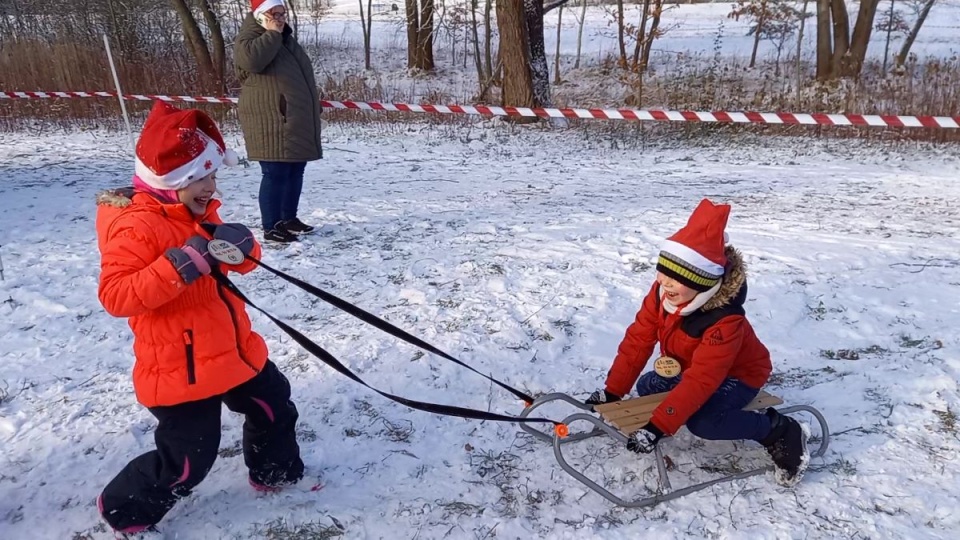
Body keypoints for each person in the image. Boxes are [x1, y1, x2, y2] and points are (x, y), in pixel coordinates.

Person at [94, 101, 304, 534]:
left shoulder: (197, 211)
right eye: (201, 178)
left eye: (212, 175)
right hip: (181, 367)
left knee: (273, 405)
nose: (212, 187)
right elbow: (116, 295)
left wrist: (245, 250)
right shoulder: (137, 227)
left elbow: (224, 258)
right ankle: (124, 507)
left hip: (230, 348)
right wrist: (178, 267)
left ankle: (275, 472)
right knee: (190, 458)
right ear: (171, 182)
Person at [584, 199, 810, 487]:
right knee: (648, 386)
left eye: (677, 279)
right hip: (691, 367)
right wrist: (613, 391)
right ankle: (679, 406)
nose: (665, 283)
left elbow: (704, 378)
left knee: (704, 423)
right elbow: (638, 340)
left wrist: (659, 425)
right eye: (662, 272)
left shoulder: (724, 321)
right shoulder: (662, 294)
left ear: (703, 283)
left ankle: (777, 430)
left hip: (738, 375)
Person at [235, 0, 323, 244]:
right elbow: (251, 61)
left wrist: (311, 105)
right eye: (275, 13)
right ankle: (271, 225)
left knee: (295, 170)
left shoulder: (286, 39)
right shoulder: (250, 38)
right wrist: (272, 33)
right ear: (261, 15)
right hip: (271, 120)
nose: (281, 18)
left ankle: (288, 219)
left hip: (294, 118)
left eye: (282, 13)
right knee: (275, 173)